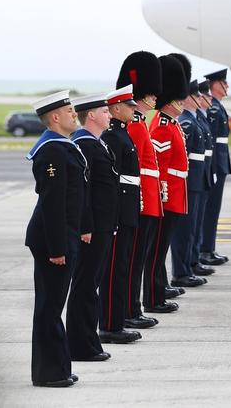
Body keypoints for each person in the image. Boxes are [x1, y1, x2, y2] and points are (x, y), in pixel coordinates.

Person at [25, 90, 85, 387]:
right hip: (53, 240)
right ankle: (49, 373)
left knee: (53, 306)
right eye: (70, 111)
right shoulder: (51, 151)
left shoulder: (62, 147)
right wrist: (58, 248)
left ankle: (59, 367)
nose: (75, 114)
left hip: (64, 235)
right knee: (49, 307)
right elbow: (52, 203)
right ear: (55, 117)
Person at [115, 51, 167, 328]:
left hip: (148, 199)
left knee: (137, 259)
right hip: (140, 201)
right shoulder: (133, 125)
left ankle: (133, 308)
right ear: (142, 95)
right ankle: (128, 309)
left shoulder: (140, 123)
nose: (155, 98)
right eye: (151, 94)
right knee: (132, 261)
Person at [66, 93, 117, 362]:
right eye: (105, 111)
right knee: (84, 285)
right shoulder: (84, 144)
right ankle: (80, 345)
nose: (110, 115)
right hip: (92, 229)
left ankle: (89, 341)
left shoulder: (97, 143)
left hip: (103, 225)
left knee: (91, 285)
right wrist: (86, 226)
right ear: (92, 116)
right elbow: (82, 190)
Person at [98, 85, 142, 344]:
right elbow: (111, 181)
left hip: (128, 209)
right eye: (129, 106)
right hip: (119, 211)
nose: (133, 109)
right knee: (114, 269)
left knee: (122, 267)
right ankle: (110, 326)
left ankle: (118, 320)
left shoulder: (123, 134)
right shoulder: (114, 137)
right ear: (115, 109)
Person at [146, 55, 190, 314]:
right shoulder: (162, 125)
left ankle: (158, 292)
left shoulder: (171, 123)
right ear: (169, 100)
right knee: (156, 252)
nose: (182, 101)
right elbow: (160, 166)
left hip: (174, 194)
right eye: (179, 97)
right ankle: (153, 297)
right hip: (167, 196)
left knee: (161, 250)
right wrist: (161, 196)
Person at [170, 79, 210, 288]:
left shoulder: (192, 119)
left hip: (198, 178)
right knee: (185, 229)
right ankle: (181, 271)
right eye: (197, 95)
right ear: (189, 98)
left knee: (192, 228)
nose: (201, 99)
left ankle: (187, 266)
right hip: (190, 179)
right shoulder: (186, 121)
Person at [201, 67, 231, 265]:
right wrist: (211, 168)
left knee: (214, 208)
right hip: (215, 162)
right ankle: (205, 249)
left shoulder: (217, 106)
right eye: (224, 83)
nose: (227, 86)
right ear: (216, 85)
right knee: (210, 208)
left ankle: (209, 248)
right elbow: (209, 141)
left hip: (220, 161)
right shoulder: (213, 107)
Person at [194, 76, 219, 269]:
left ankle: (194, 260)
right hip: (195, 177)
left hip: (203, 172)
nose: (209, 100)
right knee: (190, 225)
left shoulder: (200, 118)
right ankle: (191, 262)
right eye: (205, 96)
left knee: (198, 220)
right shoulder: (191, 121)